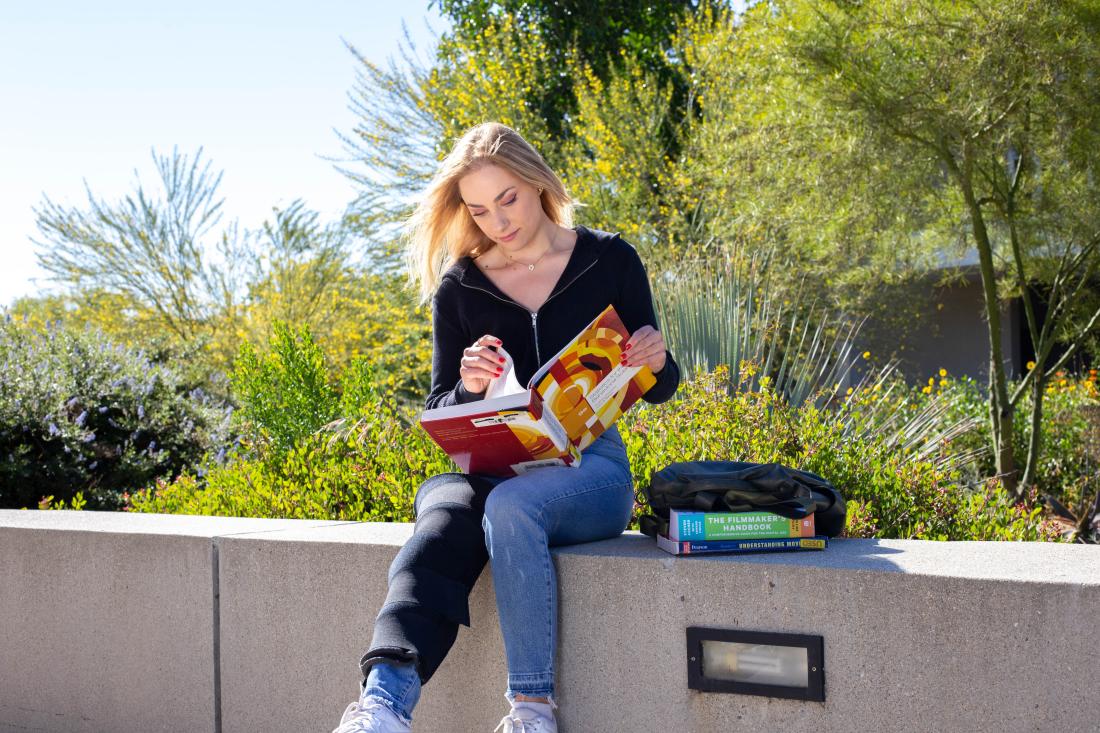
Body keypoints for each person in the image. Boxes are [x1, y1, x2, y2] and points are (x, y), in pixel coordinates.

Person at [333, 121, 680, 733]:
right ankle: (381, 706)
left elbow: (661, 386)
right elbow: (440, 406)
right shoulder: (461, 288)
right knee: (439, 518)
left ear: (535, 181)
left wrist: (656, 359)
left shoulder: (610, 260)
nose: (498, 221)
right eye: (479, 209)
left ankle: (531, 712)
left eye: (508, 199)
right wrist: (467, 385)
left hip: (591, 472)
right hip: (493, 467)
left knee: (513, 508)